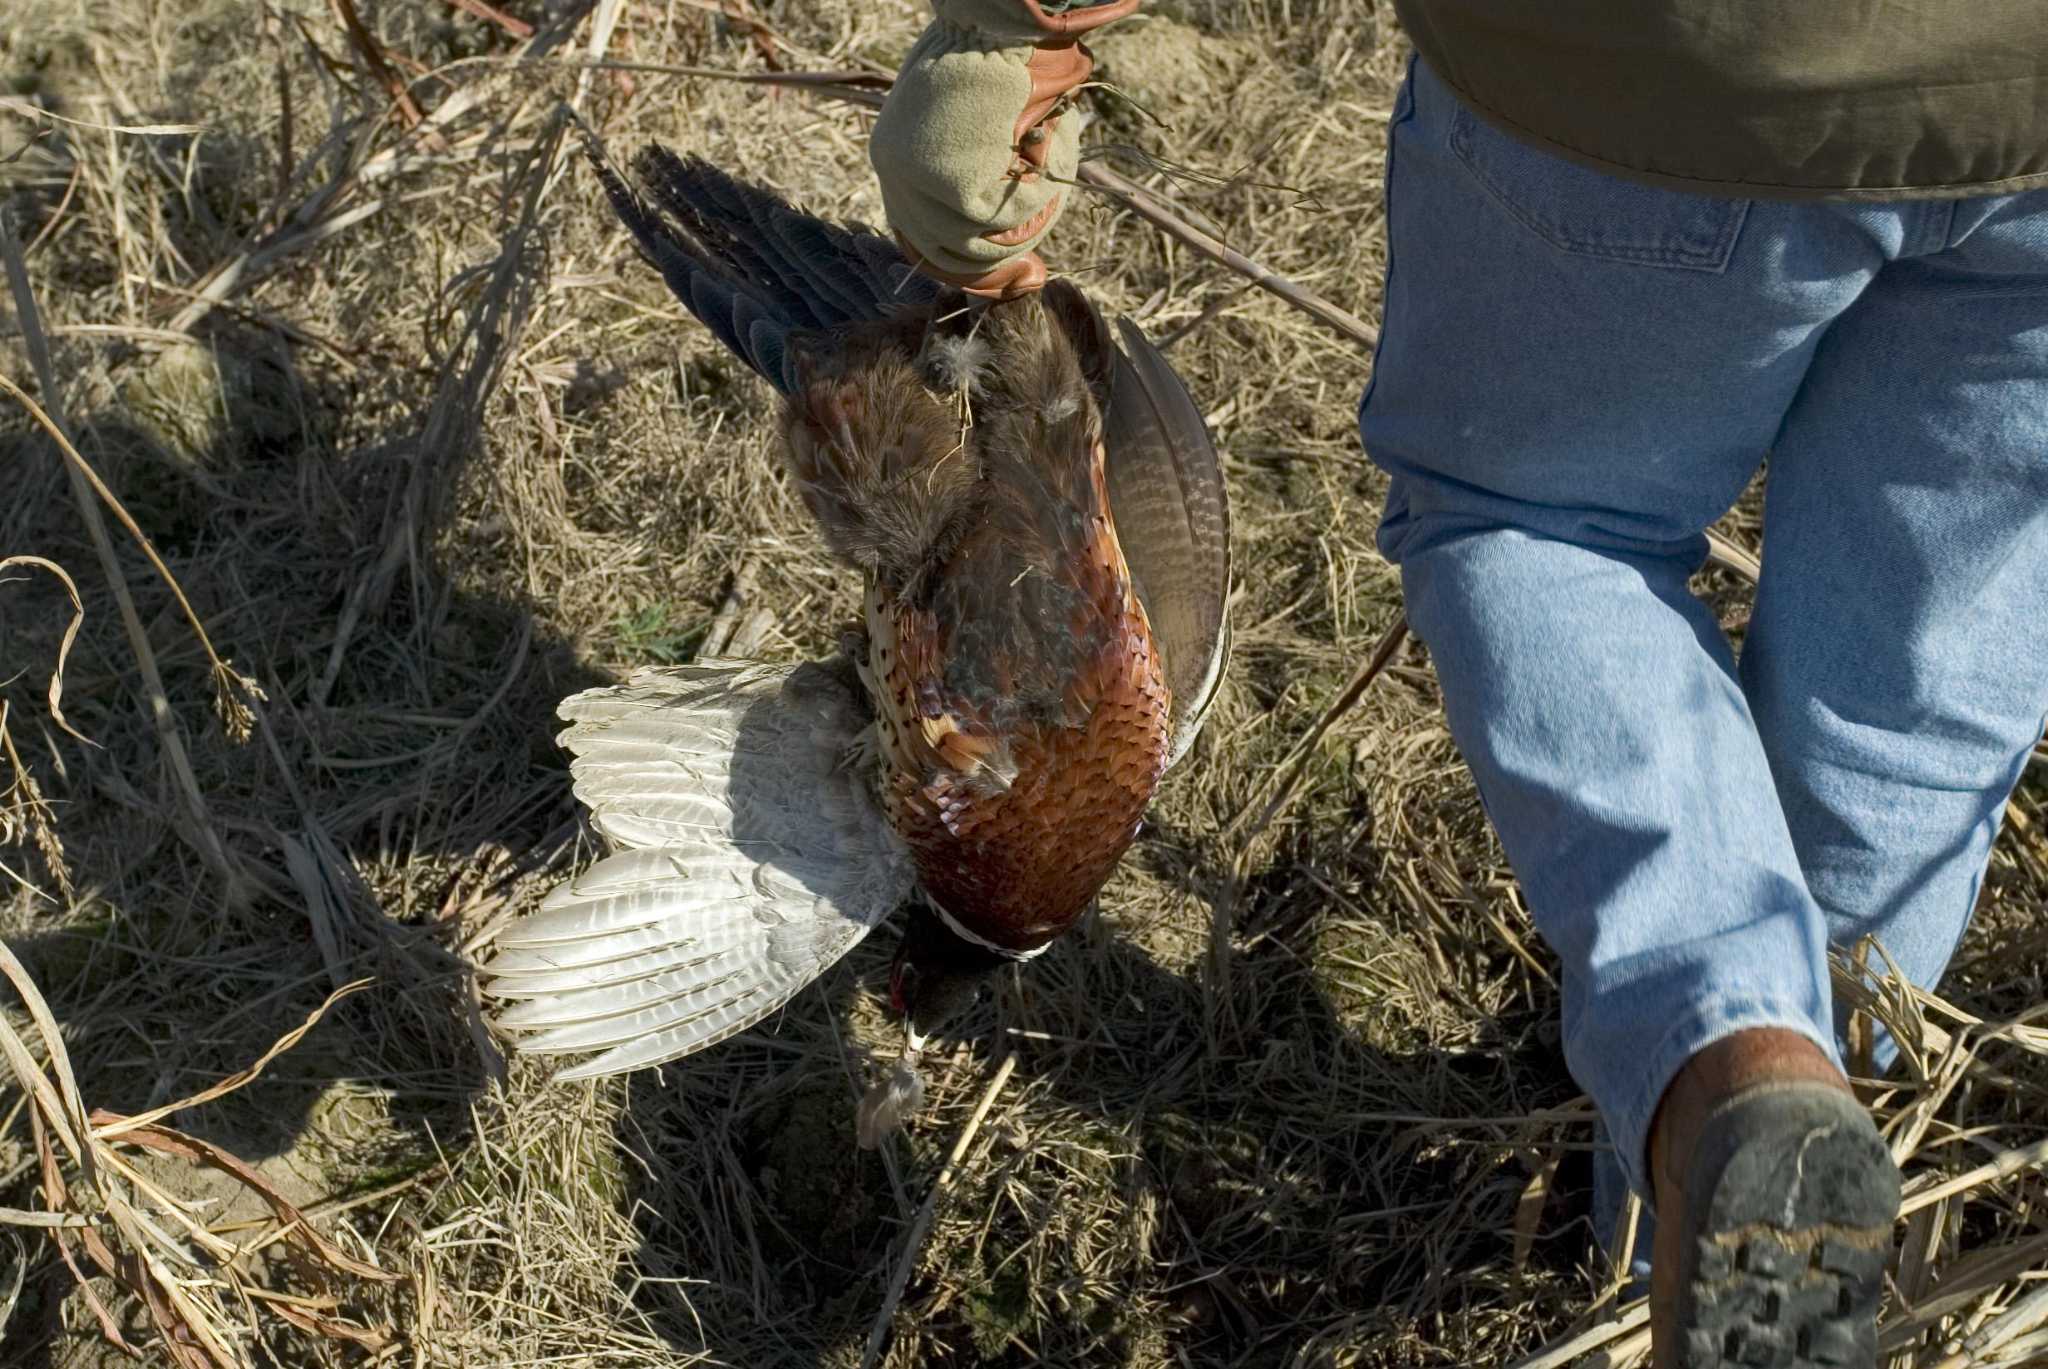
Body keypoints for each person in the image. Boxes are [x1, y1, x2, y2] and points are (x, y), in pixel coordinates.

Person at [867, 3, 2048, 1365]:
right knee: (1912, 690)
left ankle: (1733, 1068)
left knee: (1546, 522)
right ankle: (1747, 1158)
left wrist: (1003, 32)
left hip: (1673, 70)